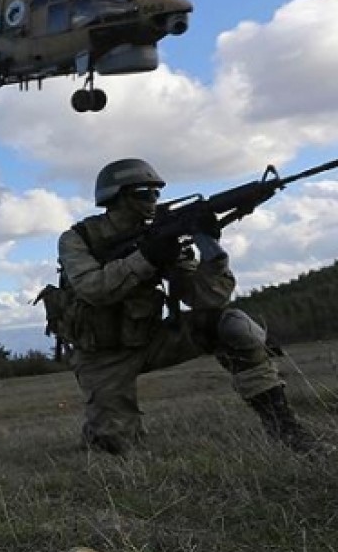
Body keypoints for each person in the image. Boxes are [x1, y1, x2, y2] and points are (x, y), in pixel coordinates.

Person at [56, 157, 324, 456]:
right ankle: (102, 434)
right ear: (116, 197)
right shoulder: (78, 239)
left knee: (233, 325)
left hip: (151, 339)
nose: (153, 201)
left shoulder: (161, 236)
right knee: (113, 448)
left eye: (156, 193)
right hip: (101, 356)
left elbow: (205, 299)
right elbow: (94, 289)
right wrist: (147, 258)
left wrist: (211, 250)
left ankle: (287, 432)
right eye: (144, 193)